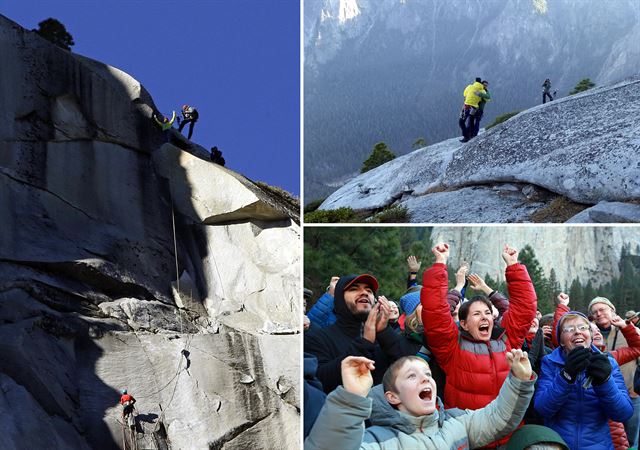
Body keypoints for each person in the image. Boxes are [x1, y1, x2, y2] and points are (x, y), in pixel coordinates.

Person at [421, 242, 537, 448]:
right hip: (471, 439)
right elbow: (435, 313)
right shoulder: (452, 348)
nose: (484, 318)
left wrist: (513, 265)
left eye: (487, 313)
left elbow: (525, 308)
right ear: (463, 323)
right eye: (476, 314)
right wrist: (440, 264)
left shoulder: (508, 340)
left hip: (511, 438)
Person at [305, 350, 536, 449]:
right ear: (392, 396)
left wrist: (519, 379)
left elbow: (499, 418)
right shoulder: (377, 441)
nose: (425, 380)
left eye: (427, 374)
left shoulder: (457, 423)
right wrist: (352, 398)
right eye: (412, 376)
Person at [534, 310, 633, 450]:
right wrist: (566, 376)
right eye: (569, 329)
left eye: (583, 328)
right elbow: (543, 409)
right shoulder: (550, 363)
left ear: (590, 336)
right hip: (558, 445)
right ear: (561, 340)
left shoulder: (608, 363)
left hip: (599, 445)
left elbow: (623, 413)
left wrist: (605, 382)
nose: (577, 332)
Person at [304, 274, 415, 393]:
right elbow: (319, 382)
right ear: (340, 299)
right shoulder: (316, 338)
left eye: (369, 290)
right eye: (354, 289)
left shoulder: (383, 338)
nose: (364, 293)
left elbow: (410, 368)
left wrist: (384, 331)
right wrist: (364, 344)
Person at [589, 297, 640, 447]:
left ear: (612, 310)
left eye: (602, 309)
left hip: (631, 393)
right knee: (612, 439)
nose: (598, 314)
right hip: (604, 395)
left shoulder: (629, 329)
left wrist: (625, 327)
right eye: (594, 312)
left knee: (632, 437)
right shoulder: (590, 334)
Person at [459, 77, 486, 143]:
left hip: (467, 106)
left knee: (461, 122)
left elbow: (464, 94)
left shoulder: (470, 86)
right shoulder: (482, 90)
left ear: (475, 81)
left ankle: (466, 136)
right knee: (471, 121)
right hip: (475, 107)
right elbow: (486, 98)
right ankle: (471, 136)